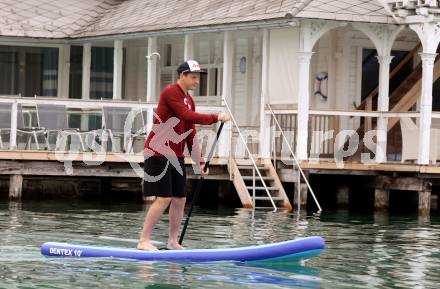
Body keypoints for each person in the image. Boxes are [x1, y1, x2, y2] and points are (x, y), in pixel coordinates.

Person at [138, 60, 230, 250]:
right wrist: (215, 117)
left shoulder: (190, 100)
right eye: (193, 77)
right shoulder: (170, 92)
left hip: (176, 156)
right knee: (163, 198)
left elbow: (190, 134)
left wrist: (200, 162)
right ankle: (143, 241)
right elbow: (186, 115)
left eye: (198, 77)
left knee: (180, 198)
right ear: (182, 76)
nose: (197, 81)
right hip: (158, 152)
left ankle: (172, 241)